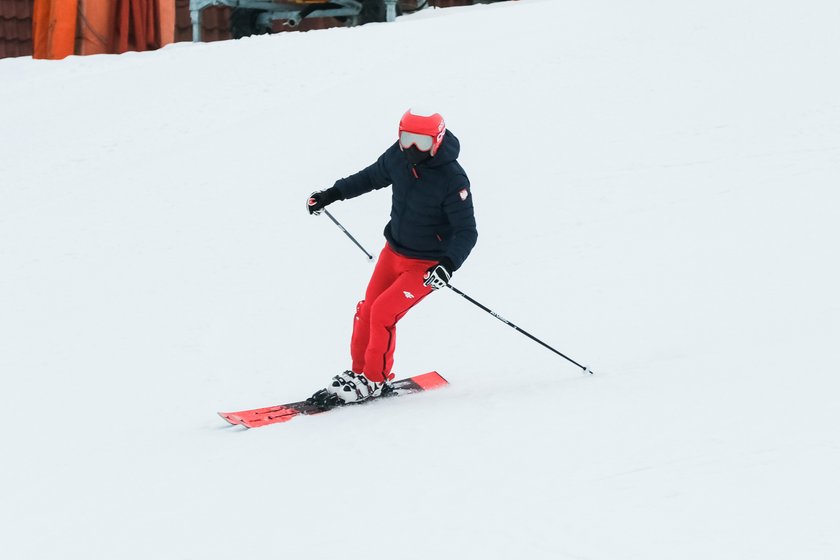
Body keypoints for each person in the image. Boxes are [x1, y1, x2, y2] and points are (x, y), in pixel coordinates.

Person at [306, 108, 477, 404]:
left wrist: (446, 266)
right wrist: (333, 193)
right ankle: (359, 373)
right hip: (393, 251)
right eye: (406, 139)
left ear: (437, 142)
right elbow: (371, 176)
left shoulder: (453, 179)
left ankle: (375, 379)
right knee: (367, 309)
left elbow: (467, 231)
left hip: (425, 265)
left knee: (384, 312)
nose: (412, 149)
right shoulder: (398, 157)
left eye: (421, 143)